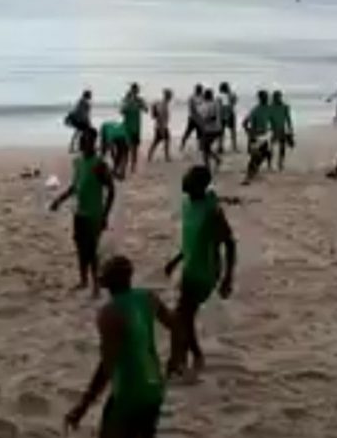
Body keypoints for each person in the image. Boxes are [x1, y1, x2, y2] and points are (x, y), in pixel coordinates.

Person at [64, 256, 174, 438]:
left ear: (106, 282)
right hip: (154, 386)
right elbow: (176, 325)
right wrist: (176, 358)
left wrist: (84, 404)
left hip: (128, 392)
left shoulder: (110, 313)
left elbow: (107, 365)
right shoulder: (148, 298)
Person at [164, 166, 236, 379]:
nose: (184, 181)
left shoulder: (212, 211)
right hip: (190, 266)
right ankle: (186, 358)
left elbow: (229, 243)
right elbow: (192, 239)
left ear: (201, 186)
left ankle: (184, 360)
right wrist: (176, 259)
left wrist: (228, 278)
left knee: (182, 315)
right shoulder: (187, 203)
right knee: (183, 316)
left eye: (190, 180)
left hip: (206, 270)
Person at [51, 129, 116, 298]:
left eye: (86, 140)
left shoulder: (99, 164)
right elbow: (75, 186)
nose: (82, 143)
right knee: (80, 248)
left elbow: (111, 190)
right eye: (81, 140)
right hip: (79, 213)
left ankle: (96, 286)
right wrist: (59, 200)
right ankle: (83, 280)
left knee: (92, 251)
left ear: (93, 142)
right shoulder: (78, 162)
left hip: (94, 215)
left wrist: (105, 215)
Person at [242, 90, 273, 185]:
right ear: (260, 98)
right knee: (255, 157)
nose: (267, 99)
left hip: (263, 136)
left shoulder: (267, 108)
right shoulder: (256, 110)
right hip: (256, 136)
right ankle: (247, 177)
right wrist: (249, 132)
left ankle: (252, 173)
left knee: (263, 155)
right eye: (265, 97)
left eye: (267, 97)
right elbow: (244, 123)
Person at [121, 83, 148, 173]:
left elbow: (146, 110)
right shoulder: (126, 100)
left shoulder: (139, 100)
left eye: (137, 91)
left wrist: (142, 104)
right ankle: (124, 167)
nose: (136, 92)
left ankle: (133, 166)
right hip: (127, 128)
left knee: (135, 148)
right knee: (126, 149)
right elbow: (122, 111)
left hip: (136, 128)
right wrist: (129, 103)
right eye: (134, 90)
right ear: (131, 90)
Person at [270, 90, 294, 172]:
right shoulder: (270, 107)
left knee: (282, 147)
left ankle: (280, 163)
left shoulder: (285, 107)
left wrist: (290, 129)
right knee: (270, 147)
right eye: (275, 97)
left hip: (281, 129)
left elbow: (288, 118)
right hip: (273, 129)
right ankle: (270, 163)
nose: (275, 99)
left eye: (277, 97)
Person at [198, 88, 222, 171]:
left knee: (204, 149)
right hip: (217, 129)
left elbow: (211, 117)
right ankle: (217, 160)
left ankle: (207, 167)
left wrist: (204, 120)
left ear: (205, 96)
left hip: (210, 130)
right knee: (206, 148)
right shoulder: (215, 104)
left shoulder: (207, 105)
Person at [147, 89, 173, 163]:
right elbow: (159, 117)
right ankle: (166, 157)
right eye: (170, 96)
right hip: (161, 126)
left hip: (161, 126)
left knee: (158, 141)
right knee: (162, 141)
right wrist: (162, 129)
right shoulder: (163, 105)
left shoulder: (164, 104)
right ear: (167, 96)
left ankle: (150, 156)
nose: (171, 98)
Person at [180, 84, 204, 152]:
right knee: (187, 132)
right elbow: (191, 108)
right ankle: (182, 145)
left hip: (199, 118)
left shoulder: (202, 97)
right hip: (192, 118)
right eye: (199, 90)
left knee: (200, 134)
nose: (200, 91)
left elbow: (203, 106)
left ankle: (200, 147)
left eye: (200, 90)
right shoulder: (191, 97)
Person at [217, 82, 239, 153]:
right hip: (230, 114)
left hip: (222, 115)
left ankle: (220, 147)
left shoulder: (219, 96)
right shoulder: (231, 95)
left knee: (221, 132)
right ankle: (234, 147)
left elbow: (218, 106)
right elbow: (234, 102)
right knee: (232, 132)